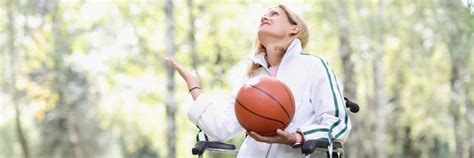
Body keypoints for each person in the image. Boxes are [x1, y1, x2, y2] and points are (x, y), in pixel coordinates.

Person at [165, 4, 351, 158]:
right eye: (263, 15)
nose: (265, 17)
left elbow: (338, 123)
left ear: (294, 28)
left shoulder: (314, 66)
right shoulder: (252, 80)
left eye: (274, 14)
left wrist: (297, 137)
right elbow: (221, 127)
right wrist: (194, 86)